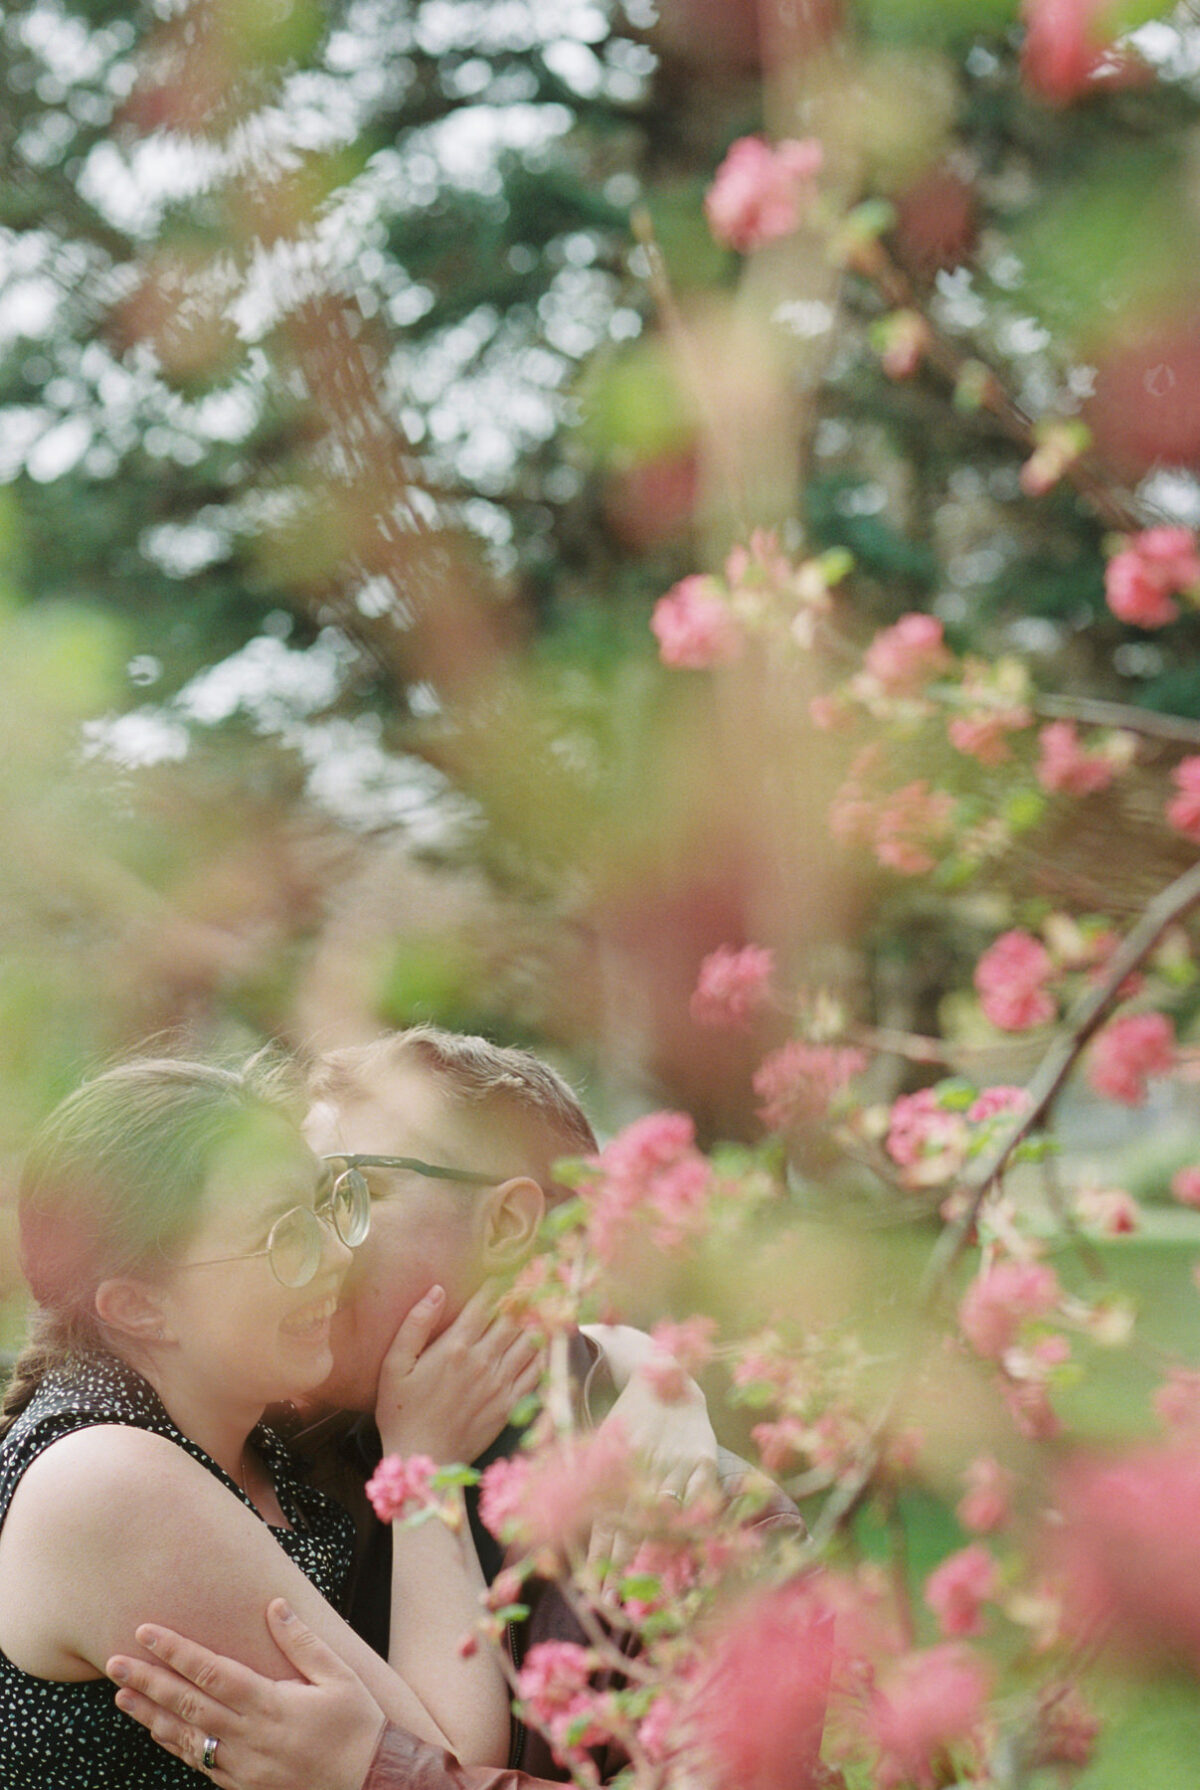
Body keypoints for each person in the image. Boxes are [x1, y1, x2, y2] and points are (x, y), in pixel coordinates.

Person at [106, 1029, 809, 1789]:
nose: (318, 1247)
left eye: (354, 1193)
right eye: (297, 1205)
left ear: (507, 1227)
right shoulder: (250, 1450)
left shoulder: (709, 1523)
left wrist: (377, 1772)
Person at [0, 1054, 535, 1787]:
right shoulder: (111, 1487)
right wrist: (425, 1464)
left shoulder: (239, 1428)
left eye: (326, 1204)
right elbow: (445, 1765)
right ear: (139, 1307)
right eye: (284, 1235)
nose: (340, 1252)